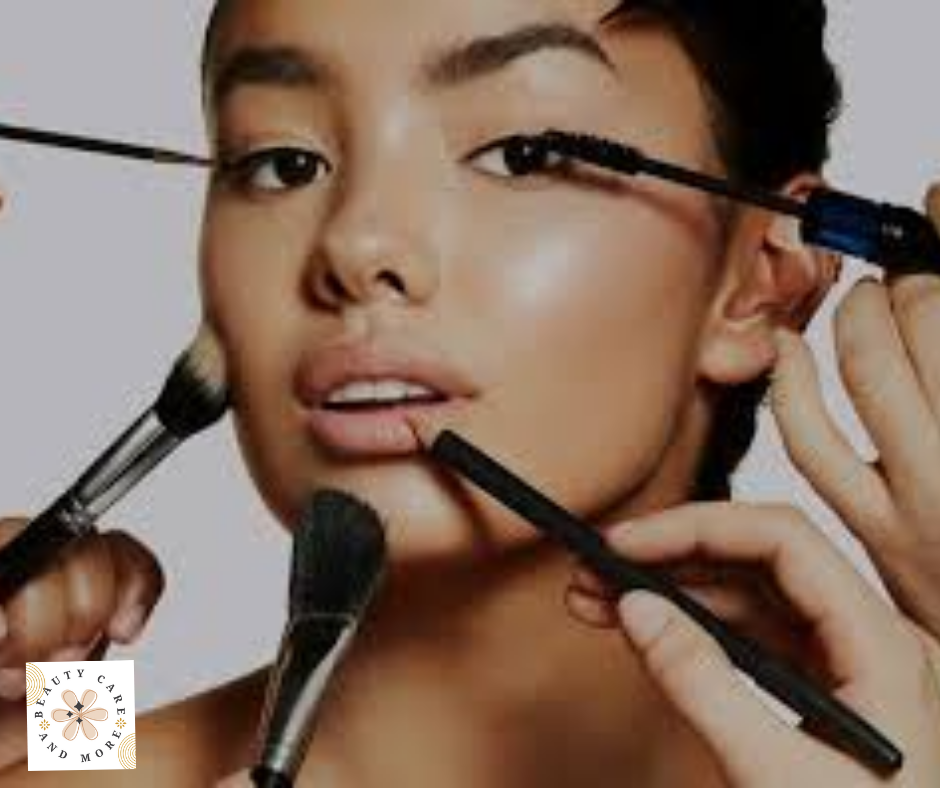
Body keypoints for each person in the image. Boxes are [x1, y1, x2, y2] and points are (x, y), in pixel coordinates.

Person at [2, 0, 940, 785]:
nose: (355, 245)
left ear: (760, 281)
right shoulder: (88, 764)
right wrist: (39, 700)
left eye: (521, 155)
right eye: (284, 163)